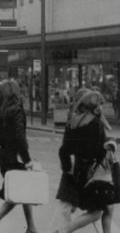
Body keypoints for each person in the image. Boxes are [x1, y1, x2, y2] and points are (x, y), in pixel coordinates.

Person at [0, 80, 38, 233]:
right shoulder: (17, 110)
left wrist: (3, 139)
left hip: (4, 158)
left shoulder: (0, 111)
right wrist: (27, 160)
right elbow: (20, 137)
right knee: (17, 193)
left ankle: (31, 227)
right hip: (14, 158)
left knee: (22, 191)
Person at [52, 89, 111, 233]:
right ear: (94, 107)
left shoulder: (72, 122)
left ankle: (62, 229)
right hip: (90, 173)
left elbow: (63, 150)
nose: (102, 108)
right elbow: (100, 152)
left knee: (69, 205)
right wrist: (111, 146)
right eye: (100, 105)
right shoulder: (95, 124)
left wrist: (67, 168)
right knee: (97, 212)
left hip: (76, 170)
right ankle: (63, 230)